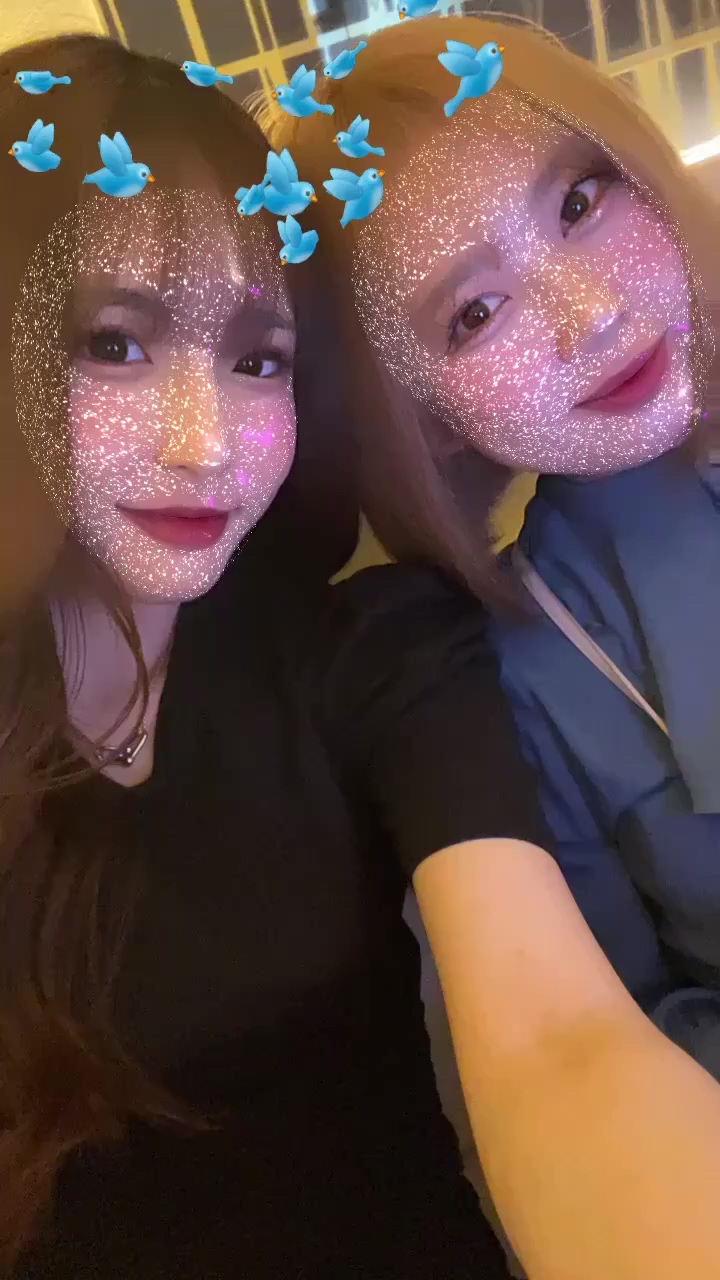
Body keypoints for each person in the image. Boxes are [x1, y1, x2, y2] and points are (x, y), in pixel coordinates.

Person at [7, 32, 720, 1280]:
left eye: (257, 358)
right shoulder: (530, 654)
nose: (203, 440)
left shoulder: (383, 658)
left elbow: (562, 1044)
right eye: (114, 341)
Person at [284, 11, 720, 1063]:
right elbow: (626, 1057)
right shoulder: (520, 683)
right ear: (424, 416)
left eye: (578, 202)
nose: (593, 315)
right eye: (474, 314)